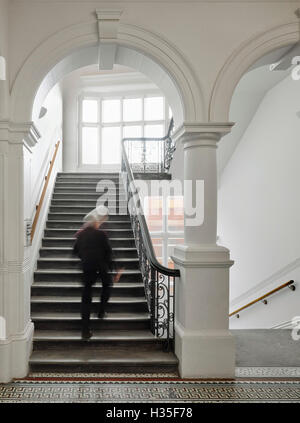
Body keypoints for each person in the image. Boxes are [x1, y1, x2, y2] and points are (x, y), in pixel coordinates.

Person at [73, 205, 115, 340]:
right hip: (101, 267)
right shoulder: (101, 234)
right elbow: (108, 252)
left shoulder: (81, 235)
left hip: (87, 268)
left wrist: (84, 257)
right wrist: (112, 267)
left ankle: (85, 330)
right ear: (96, 222)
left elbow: (75, 251)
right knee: (107, 285)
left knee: (86, 297)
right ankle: (101, 311)